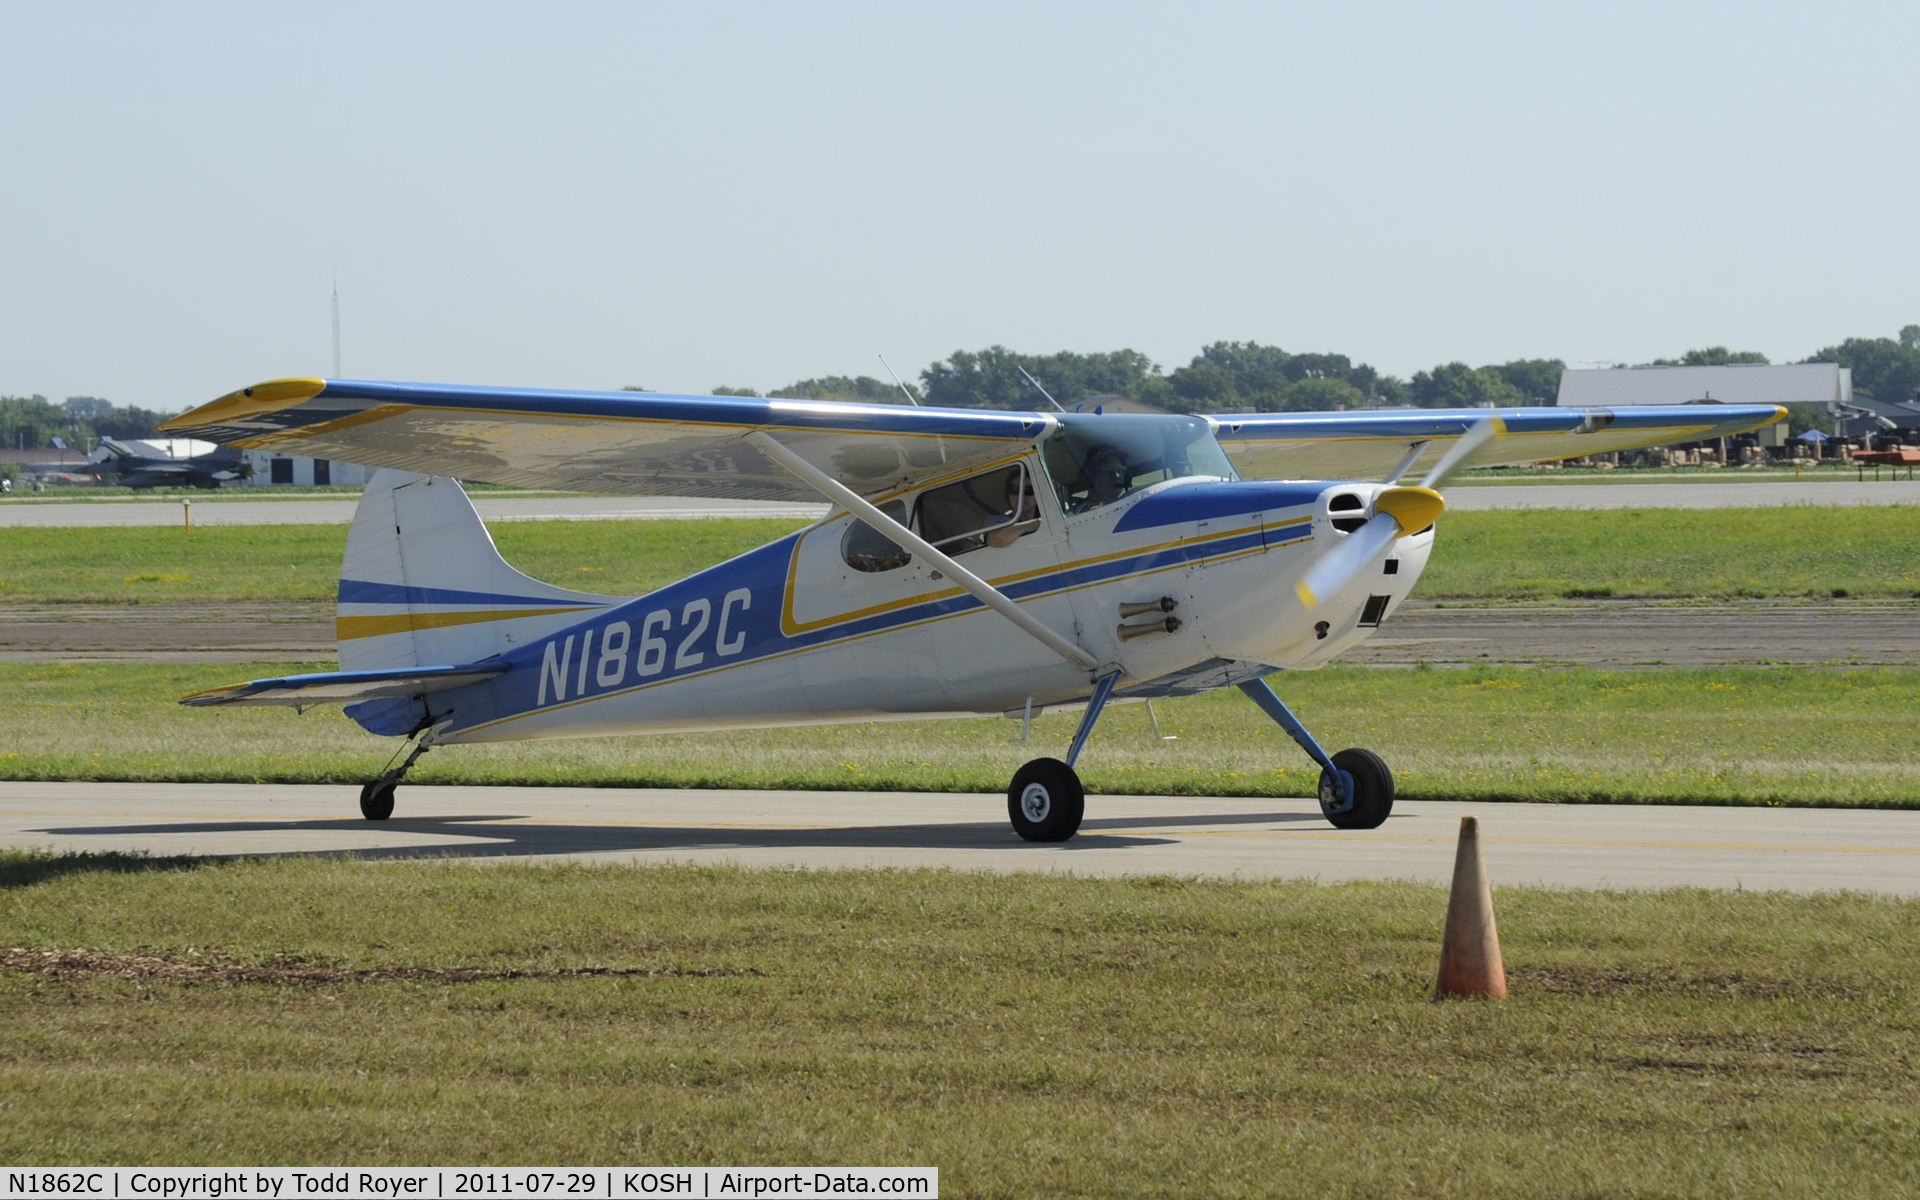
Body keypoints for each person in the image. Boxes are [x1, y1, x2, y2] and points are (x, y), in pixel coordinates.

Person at [987, 471, 1042, 547]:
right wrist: (1039, 522)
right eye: (1015, 490)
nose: (1021, 495)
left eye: (1028, 490)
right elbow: (997, 539)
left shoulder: (1048, 515)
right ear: (1008, 495)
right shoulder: (996, 520)